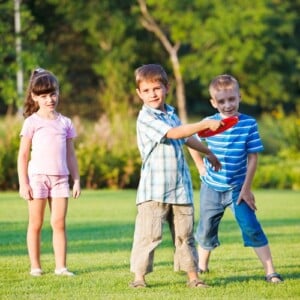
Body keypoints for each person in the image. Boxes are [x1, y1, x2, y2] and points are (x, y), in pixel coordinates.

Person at [129, 64, 223, 288]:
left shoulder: (171, 114)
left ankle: (193, 278)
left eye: (157, 88)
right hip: (154, 190)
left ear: (166, 88)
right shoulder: (145, 118)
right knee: (148, 236)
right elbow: (173, 134)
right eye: (147, 90)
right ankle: (139, 278)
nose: (153, 94)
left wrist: (207, 152)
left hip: (180, 189)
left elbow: (186, 138)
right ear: (139, 93)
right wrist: (203, 124)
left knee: (185, 235)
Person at [191, 74, 283, 283]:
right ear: (213, 103)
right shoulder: (208, 123)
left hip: (238, 188)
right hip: (211, 188)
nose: (227, 105)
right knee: (206, 228)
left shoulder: (248, 124)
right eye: (221, 101)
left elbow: (253, 157)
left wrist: (246, 188)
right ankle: (202, 267)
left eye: (232, 99)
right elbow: (192, 142)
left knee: (251, 225)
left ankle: (271, 271)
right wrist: (200, 167)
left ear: (239, 97)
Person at [17, 67, 81, 277]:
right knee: (36, 223)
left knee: (59, 223)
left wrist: (77, 180)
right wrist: (23, 183)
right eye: (43, 96)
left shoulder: (65, 123)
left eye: (52, 94)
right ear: (35, 97)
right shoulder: (31, 123)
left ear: (58, 93)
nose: (49, 99)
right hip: (37, 179)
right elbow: (23, 156)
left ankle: (61, 267)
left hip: (61, 180)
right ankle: (35, 267)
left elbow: (71, 155)